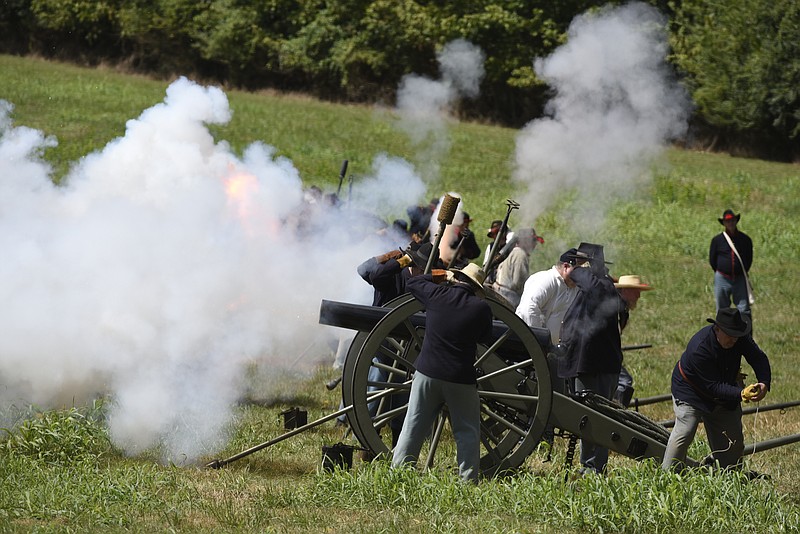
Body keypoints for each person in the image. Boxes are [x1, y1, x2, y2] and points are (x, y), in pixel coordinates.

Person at [392, 263, 493, 483]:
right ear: (476, 288)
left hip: (427, 372)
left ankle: (399, 473)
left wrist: (442, 276)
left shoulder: (437, 294)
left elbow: (413, 282)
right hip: (461, 378)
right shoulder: (481, 308)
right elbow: (485, 337)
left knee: (413, 425)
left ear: (456, 279)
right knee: (467, 432)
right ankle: (467, 480)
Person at [662, 307, 770, 471]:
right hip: (691, 392)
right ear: (717, 329)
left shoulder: (739, 338)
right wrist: (741, 393)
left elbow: (758, 358)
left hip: (724, 391)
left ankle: (730, 477)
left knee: (733, 443)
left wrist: (764, 382)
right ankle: (668, 475)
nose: (734, 340)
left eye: (736, 335)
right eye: (729, 335)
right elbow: (713, 387)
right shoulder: (700, 348)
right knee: (685, 430)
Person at [558, 242, 623, 474]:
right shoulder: (594, 287)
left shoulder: (601, 285)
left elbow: (589, 282)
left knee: (598, 418)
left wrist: (573, 269)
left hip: (599, 364)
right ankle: (589, 466)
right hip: (588, 363)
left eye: (579, 263)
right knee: (589, 417)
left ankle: (595, 468)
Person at [515, 248, 580, 345]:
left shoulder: (573, 287)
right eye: (578, 272)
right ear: (565, 267)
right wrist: (538, 342)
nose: (580, 276)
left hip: (550, 348)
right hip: (529, 344)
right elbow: (528, 310)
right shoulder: (546, 280)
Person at [613, 275, 655, 407]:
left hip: (611, 353)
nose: (639, 296)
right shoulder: (616, 308)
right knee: (624, 382)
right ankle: (614, 411)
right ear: (625, 291)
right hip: (605, 354)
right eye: (635, 291)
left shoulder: (622, 309)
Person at [709, 209, 753, 317]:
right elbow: (712, 259)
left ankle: (745, 333)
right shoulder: (717, 240)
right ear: (724, 223)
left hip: (739, 278)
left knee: (743, 310)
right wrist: (721, 271)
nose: (730, 223)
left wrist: (742, 271)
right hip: (722, 277)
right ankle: (723, 332)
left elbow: (749, 258)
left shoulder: (745, 239)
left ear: (736, 221)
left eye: (732, 220)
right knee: (722, 310)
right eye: (728, 221)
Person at [491, 228, 543, 309]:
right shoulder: (520, 254)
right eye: (533, 241)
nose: (535, 244)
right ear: (526, 241)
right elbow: (518, 283)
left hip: (502, 292)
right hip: (508, 296)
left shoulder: (516, 251)